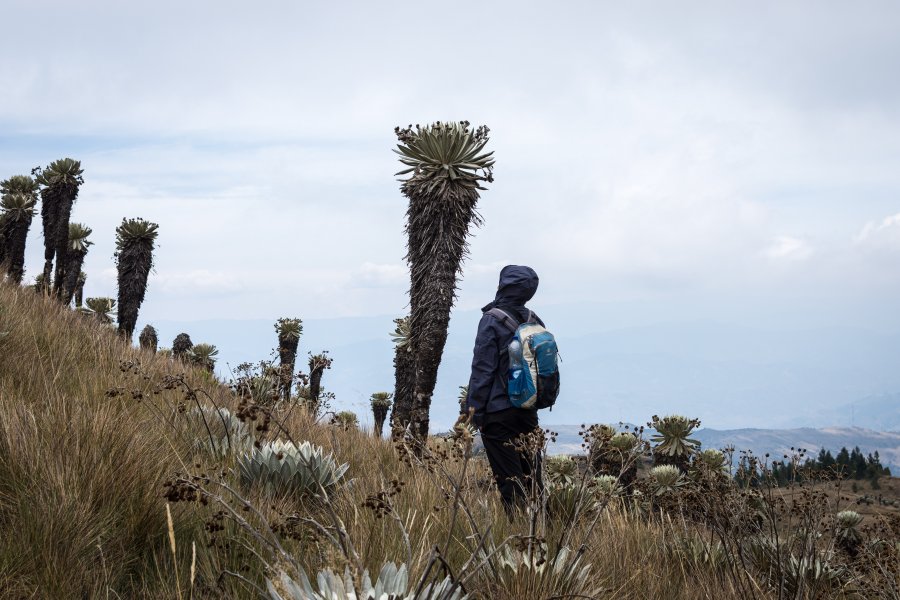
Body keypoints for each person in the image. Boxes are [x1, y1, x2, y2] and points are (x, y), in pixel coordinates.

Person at [461, 264, 545, 513]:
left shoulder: (491, 320)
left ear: (503, 286)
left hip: (498, 414)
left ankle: (518, 533)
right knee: (533, 479)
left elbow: (482, 370)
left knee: (510, 481)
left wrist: (473, 412)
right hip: (528, 409)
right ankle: (543, 528)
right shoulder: (534, 319)